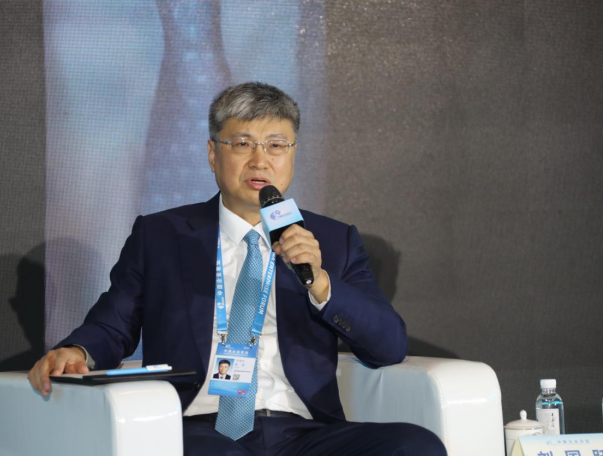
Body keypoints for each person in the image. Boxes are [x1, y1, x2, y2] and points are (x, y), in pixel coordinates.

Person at [28, 82, 447, 455]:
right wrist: (77, 351)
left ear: (293, 154)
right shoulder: (161, 235)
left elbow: (388, 347)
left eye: (276, 145)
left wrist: (320, 282)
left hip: (305, 431)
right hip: (198, 428)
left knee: (416, 446)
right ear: (213, 154)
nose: (260, 161)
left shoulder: (332, 240)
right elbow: (113, 323)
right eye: (243, 144)